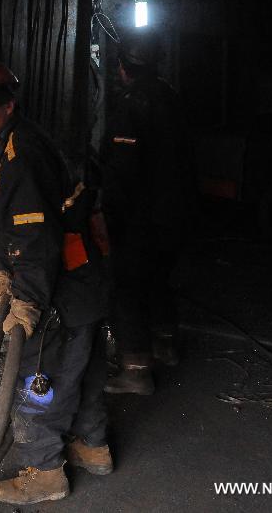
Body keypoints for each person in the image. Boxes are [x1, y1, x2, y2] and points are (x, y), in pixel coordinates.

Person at [0, 57, 111, 506]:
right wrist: (4, 268)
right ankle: (92, 447)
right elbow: (19, 229)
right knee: (84, 369)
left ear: (8, 104)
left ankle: (45, 471)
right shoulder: (20, 145)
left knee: (38, 377)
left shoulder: (20, 156)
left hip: (58, 289)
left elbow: (35, 240)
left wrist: (25, 302)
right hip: (83, 283)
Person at [100, 29, 197, 395]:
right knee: (158, 279)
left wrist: (109, 214)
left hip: (140, 216)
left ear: (123, 66)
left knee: (127, 288)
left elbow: (123, 169)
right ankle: (166, 345)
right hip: (174, 213)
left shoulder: (131, 103)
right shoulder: (171, 96)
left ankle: (136, 370)